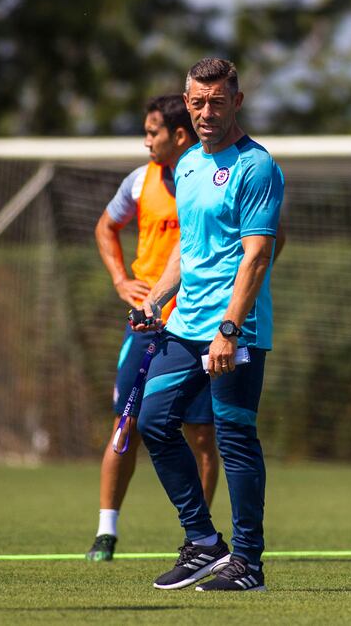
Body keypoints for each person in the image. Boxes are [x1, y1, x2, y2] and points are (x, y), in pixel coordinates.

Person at [133, 58, 284, 592]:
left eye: (216, 102)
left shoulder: (257, 166)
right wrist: (156, 298)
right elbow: (187, 244)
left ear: (236, 102)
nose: (205, 112)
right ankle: (202, 542)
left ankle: (249, 564)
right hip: (185, 324)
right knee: (152, 421)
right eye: (196, 102)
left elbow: (259, 253)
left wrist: (230, 328)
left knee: (235, 437)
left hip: (232, 328)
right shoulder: (190, 164)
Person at [86, 96, 220, 562]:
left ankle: (198, 539)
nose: (146, 140)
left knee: (202, 434)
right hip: (150, 324)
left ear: (179, 136)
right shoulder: (140, 182)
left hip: (203, 325)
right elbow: (106, 228)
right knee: (128, 425)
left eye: (153, 132)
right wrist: (122, 280)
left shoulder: (212, 178)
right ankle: (105, 532)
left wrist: (242, 288)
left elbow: (270, 236)